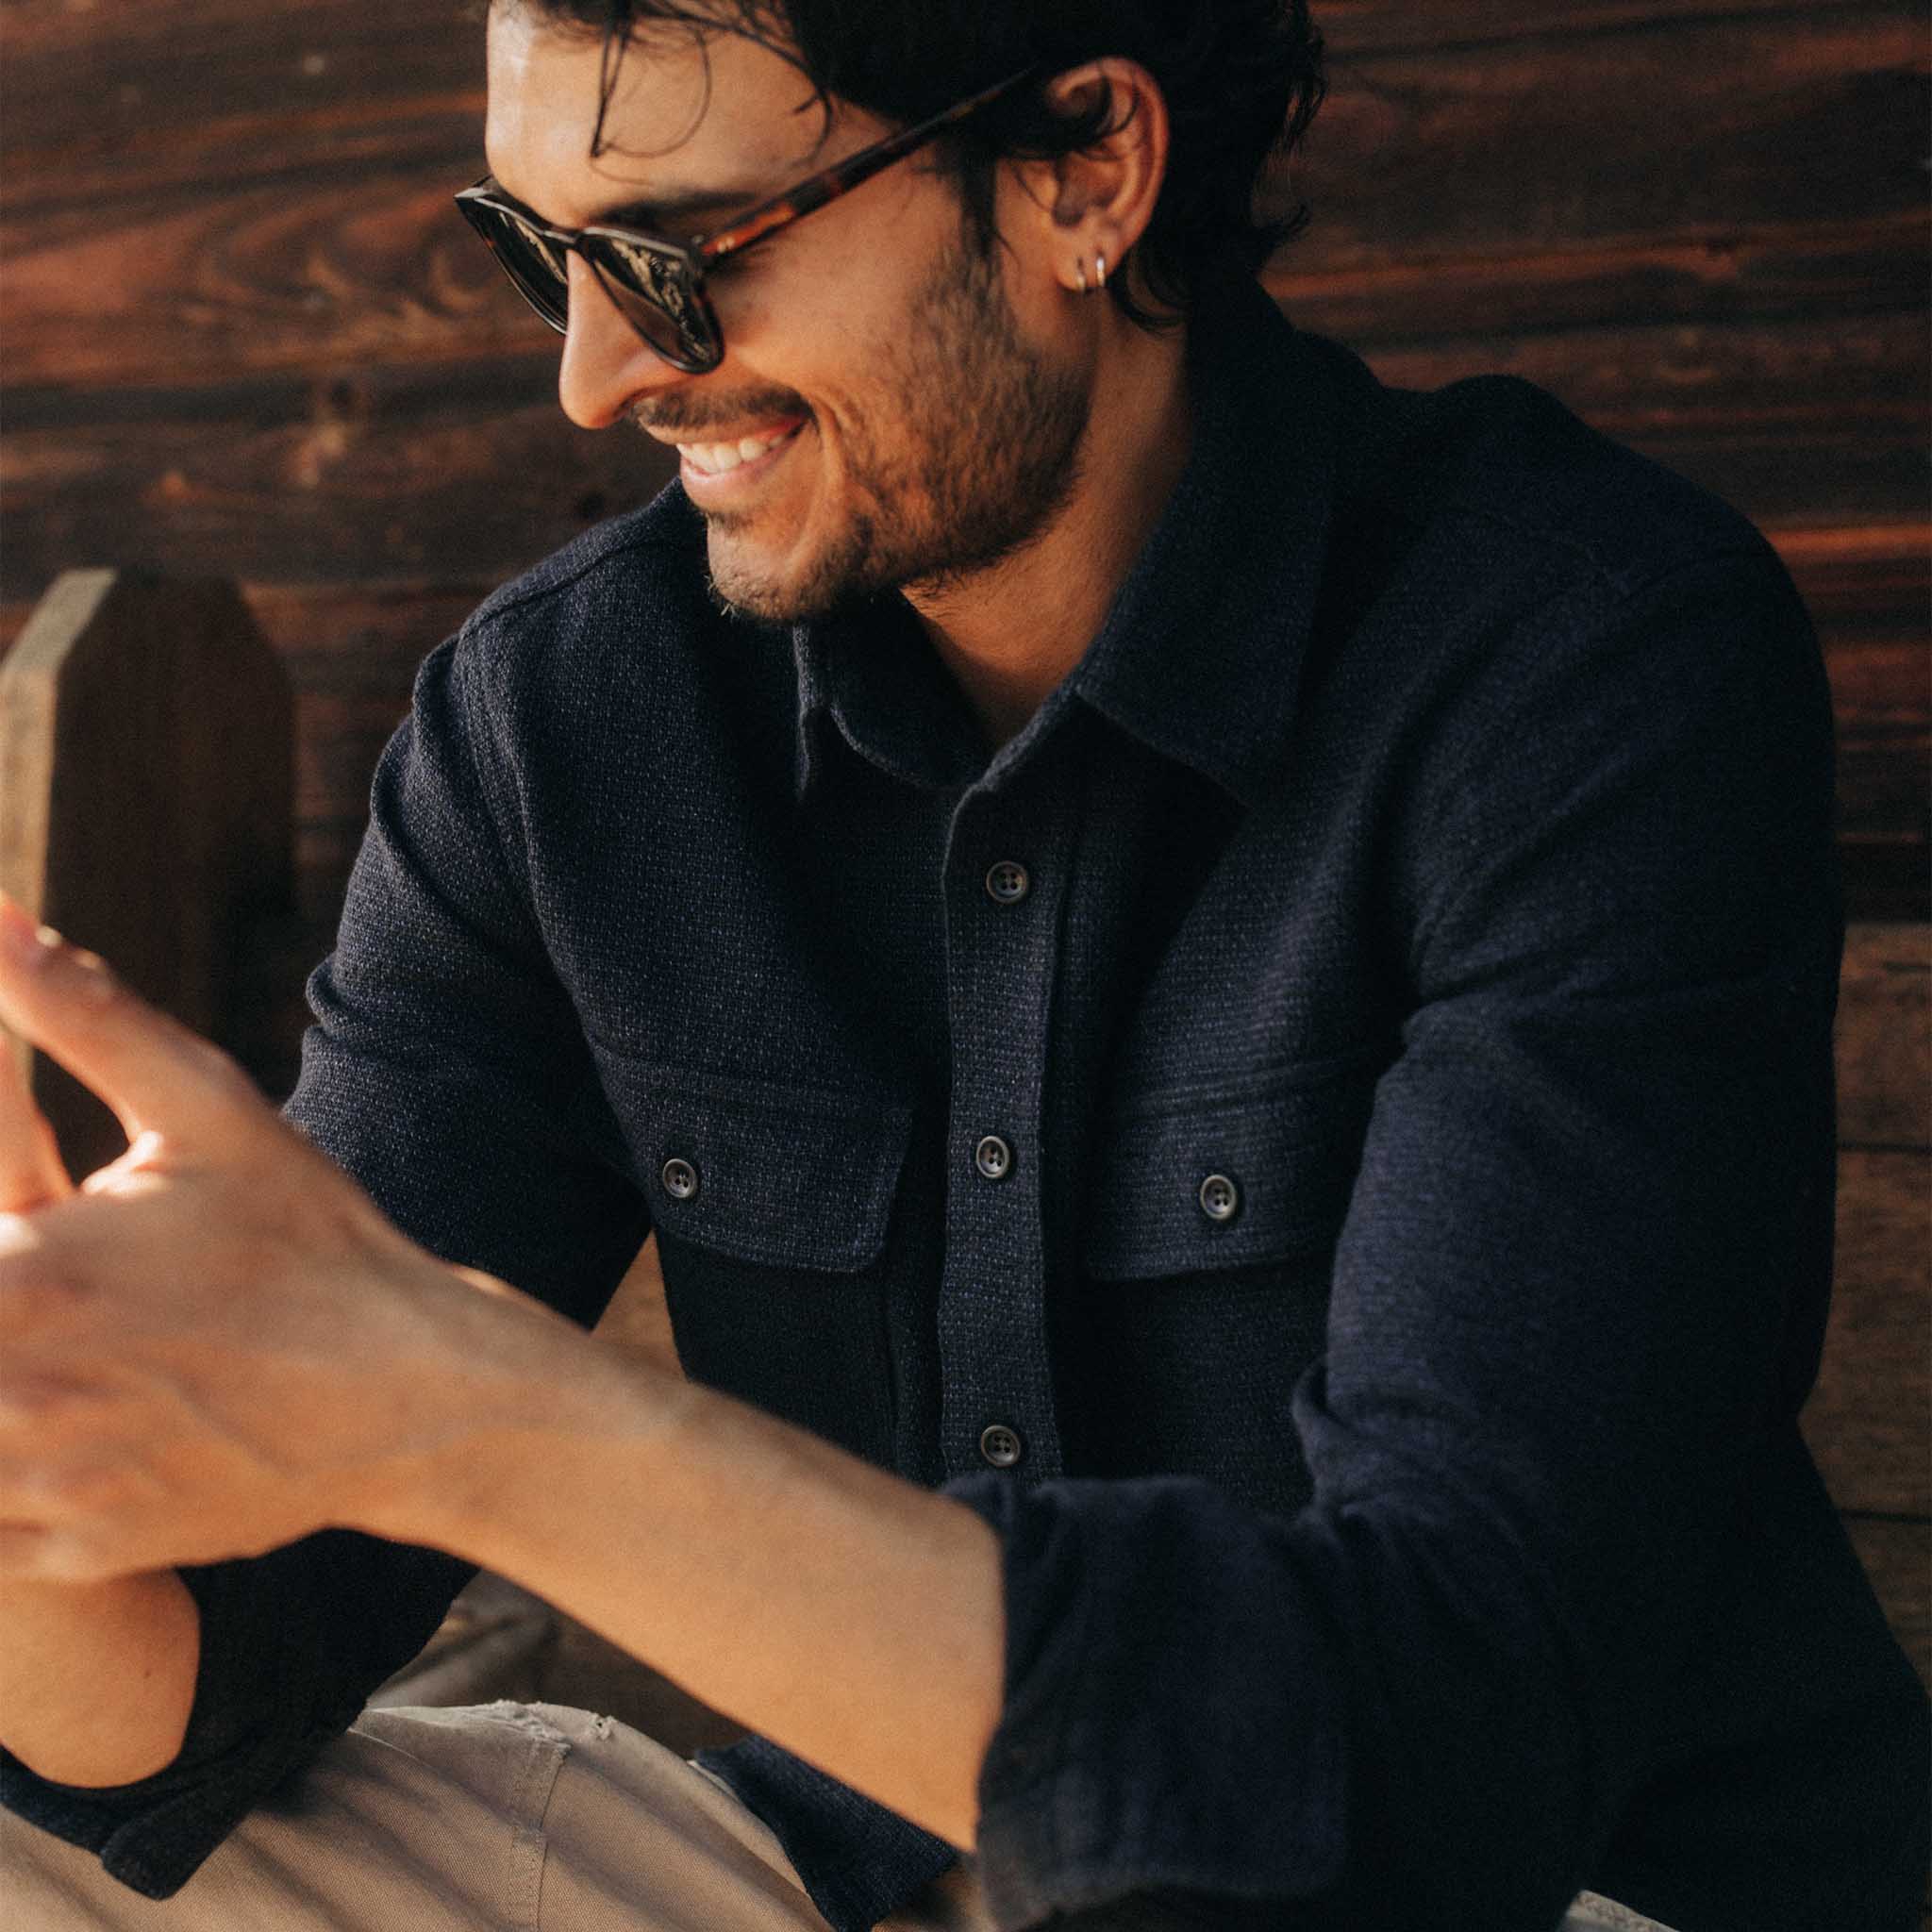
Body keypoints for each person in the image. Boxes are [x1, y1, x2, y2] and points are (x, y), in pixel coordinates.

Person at [0, 0, 1925, 1926]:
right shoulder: (563, 725)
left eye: (674, 255)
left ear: (1085, 168)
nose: (594, 375)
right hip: (873, 1878)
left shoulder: (1577, 663)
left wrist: (476, 1418)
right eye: (545, 251)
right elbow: (202, 1691)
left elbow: (1434, 1750)